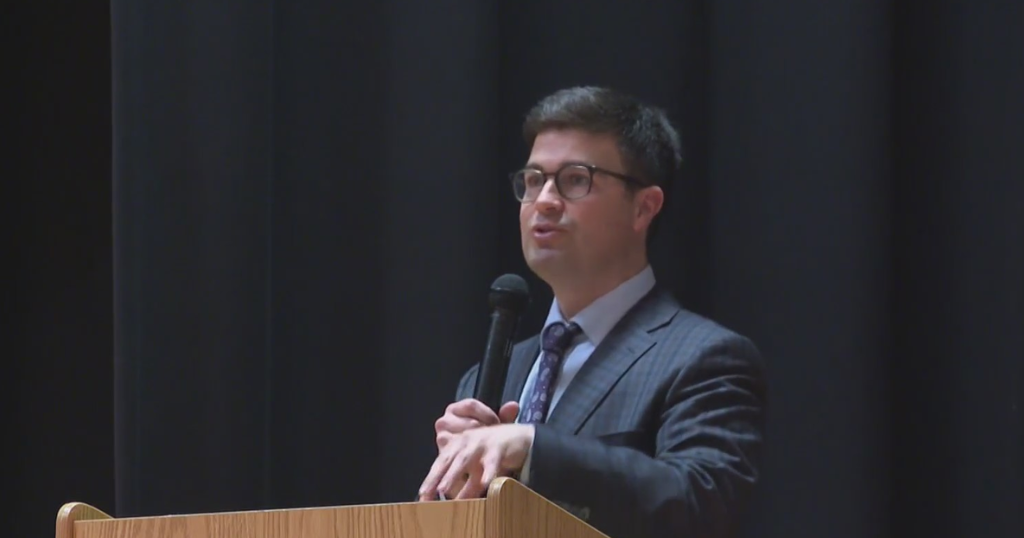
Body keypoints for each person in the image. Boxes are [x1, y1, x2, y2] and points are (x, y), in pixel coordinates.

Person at [418, 86, 767, 538]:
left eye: (575, 179)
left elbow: (701, 500)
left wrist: (533, 447)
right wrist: (453, 486)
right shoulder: (489, 377)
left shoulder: (706, 358)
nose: (543, 200)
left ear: (644, 207)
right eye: (533, 179)